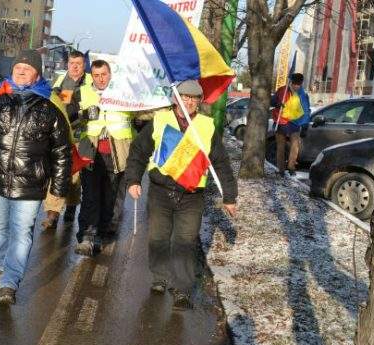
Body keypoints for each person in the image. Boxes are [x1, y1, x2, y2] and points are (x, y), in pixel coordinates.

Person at [0, 50, 72, 305]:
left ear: (37, 74)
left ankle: (10, 282)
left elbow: (61, 151)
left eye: (27, 68)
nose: (21, 71)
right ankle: (1, 267)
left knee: (22, 233)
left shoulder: (48, 107)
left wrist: (59, 189)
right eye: (18, 66)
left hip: (30, 185)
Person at [125, 80, 237, 310]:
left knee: (185, 242)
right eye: (185, 97)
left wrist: (230, 196)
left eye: (194, 98)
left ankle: (182, 289)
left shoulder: (207, 126)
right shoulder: (161, 120)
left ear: (199, 101)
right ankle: (159, 277)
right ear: (176, 98)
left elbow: (221, 162)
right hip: (160, 191)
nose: (189, 102)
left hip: (192, 195)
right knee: (158, 238)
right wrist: (133, 179)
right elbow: (138, 151)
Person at [73, 59, 135, 255]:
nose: (101, 79)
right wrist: (83, 116)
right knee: (90, 196)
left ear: (110, 74)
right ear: (92, 75)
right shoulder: (82, 92)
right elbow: (70, 117)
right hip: (90, 154)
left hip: (116, 155)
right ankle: (86, 236)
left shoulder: (125, 94)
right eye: (97, 75)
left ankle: (100, 233)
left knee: (110, 198)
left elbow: (143, 116)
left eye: (104, 75)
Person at [42, 50, 92, 230]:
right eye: (72, 63)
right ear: (67, 64)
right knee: (58, 173)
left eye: (78, 63)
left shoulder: (90, 82)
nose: (75, 66)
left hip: (81, 136)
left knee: (74, 176)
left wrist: (79, 111)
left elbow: (89, 108)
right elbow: (58, 104)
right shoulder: (62, 81)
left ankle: (71, 205)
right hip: (62, 134)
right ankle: (52, 214)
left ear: (84, 65)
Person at [271, 73, 311, 177]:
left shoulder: (301, 94)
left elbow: (306, 110)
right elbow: (272, 102)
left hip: (292, 122)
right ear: (291, 82)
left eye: (298, 84)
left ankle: (289, 167)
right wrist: (277, 104)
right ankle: (283, 169)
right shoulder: (282, 91)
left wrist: (305, 125)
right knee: (284, 146)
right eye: (295, 84)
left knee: (292, 146)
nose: (297, 86)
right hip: (282, 122)